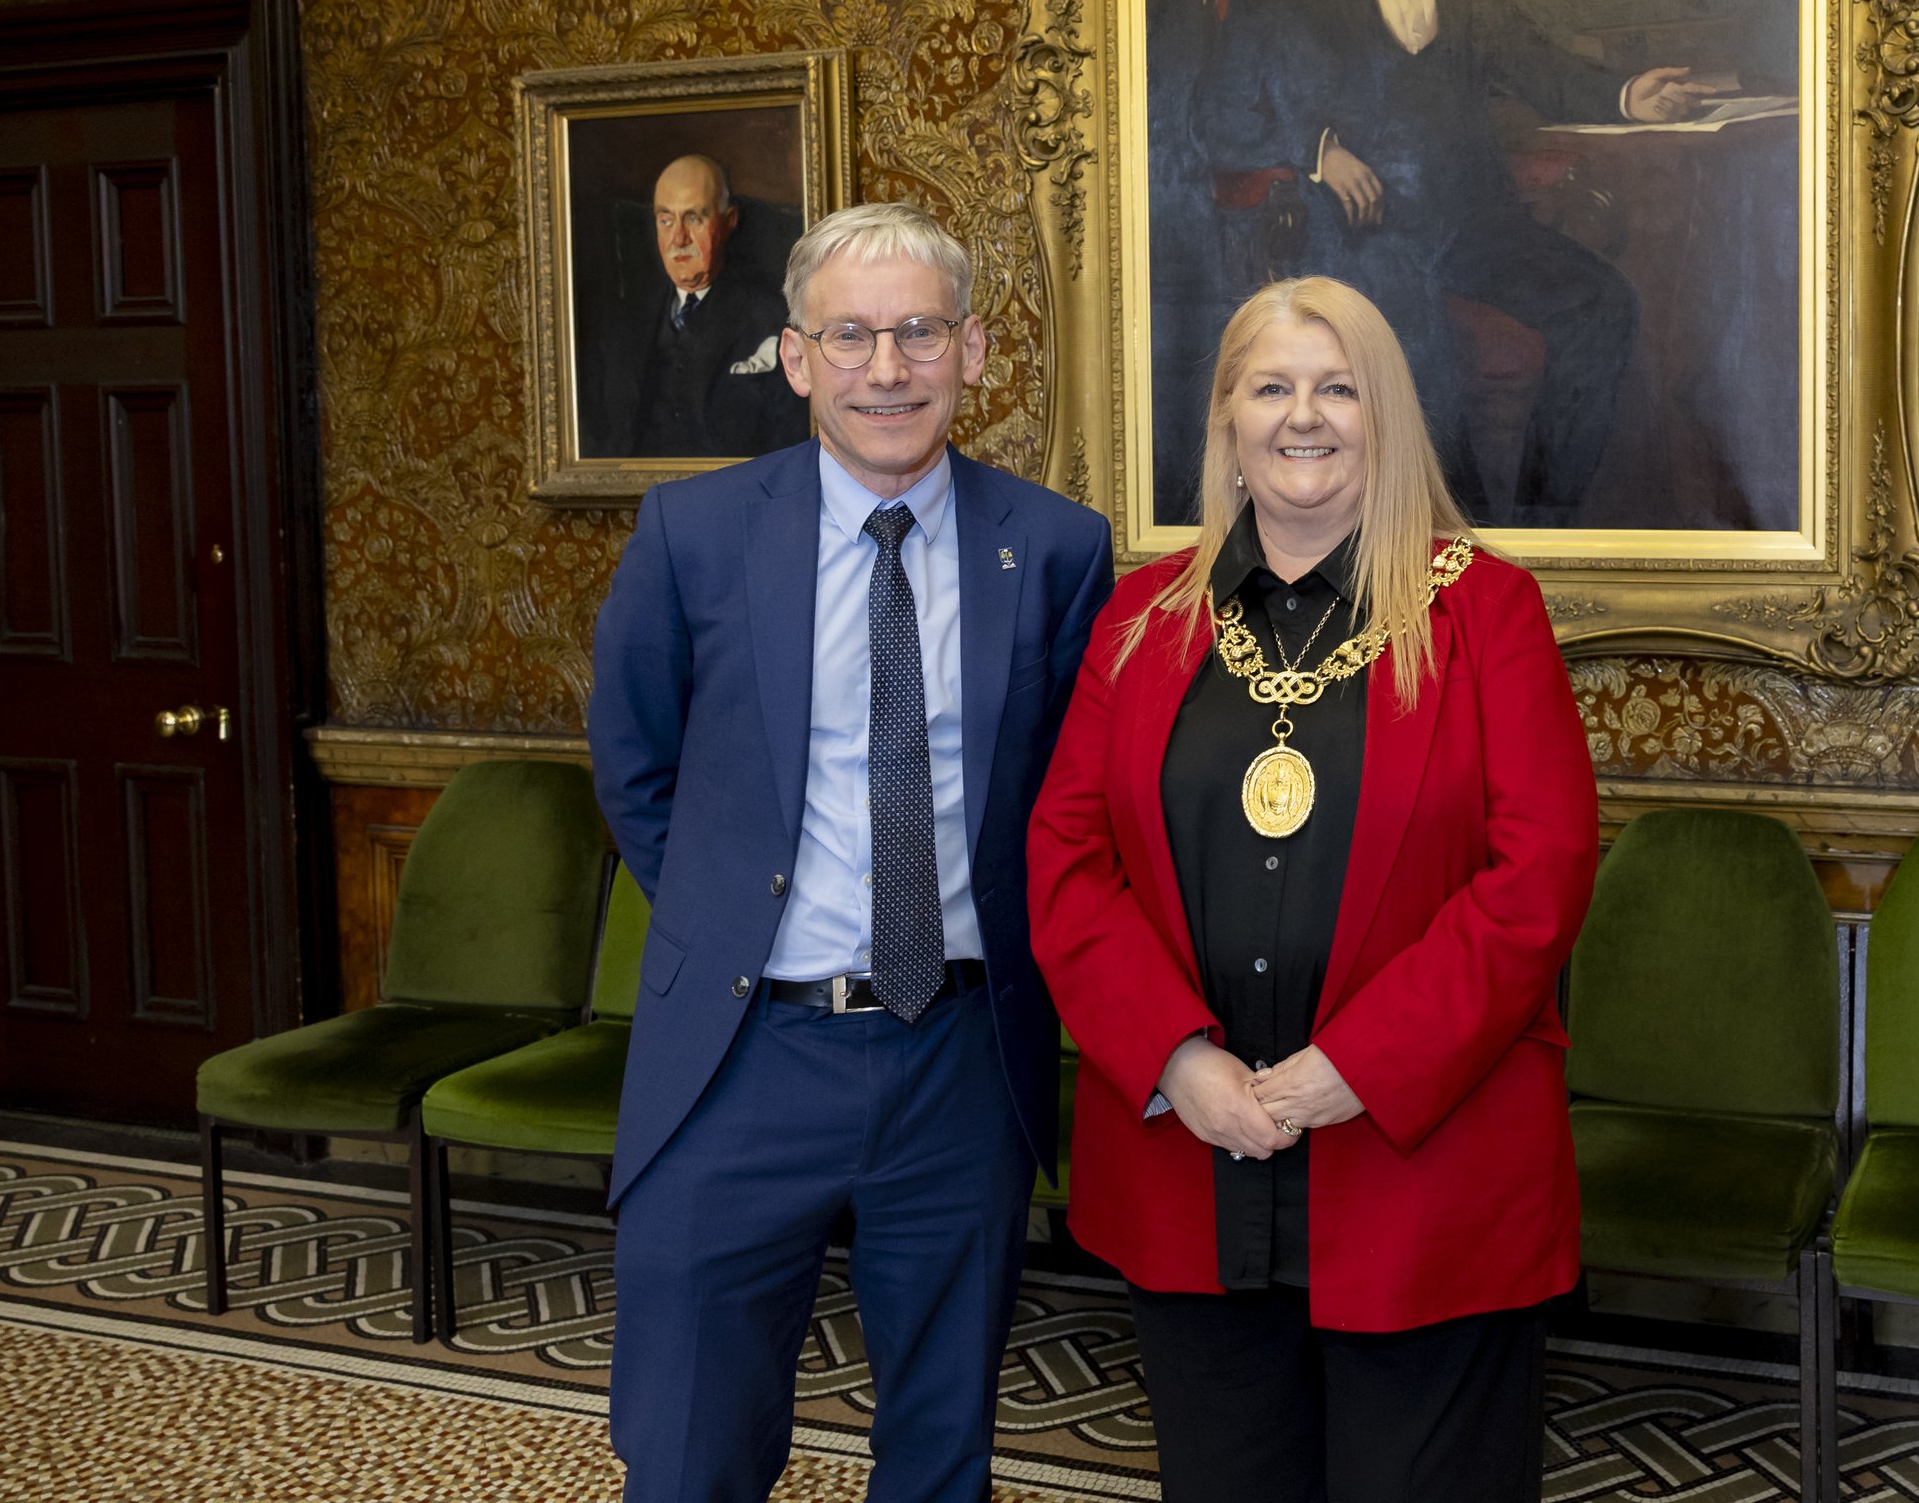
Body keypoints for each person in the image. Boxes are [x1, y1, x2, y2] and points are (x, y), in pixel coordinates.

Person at [1026, 275, 1598, 1501]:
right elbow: (1068, 866)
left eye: (1339, 387)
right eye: (1271, 387)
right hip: (1192, 1162)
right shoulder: (1138, 622)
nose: (1305, 416)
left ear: (1384, 416)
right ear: (1226, 419)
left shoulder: (1487, 614)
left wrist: (1362, 1066)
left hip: (1426, 1177)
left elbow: (1535, 879)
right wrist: (1176, 1060)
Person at [589, 201, 1115, 1503]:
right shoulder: (694, 535)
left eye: (920, 332)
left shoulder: (1055, 550)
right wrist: (732, 926)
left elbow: (1077, 801)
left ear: (975, 351)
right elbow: (635, 767)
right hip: (739, 1056)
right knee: (689, 1447)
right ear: (795, 355)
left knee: (941, 1451)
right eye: (853, 336)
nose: (889, 369)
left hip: (960, 1058)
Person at [1190, 0, 1714, 523]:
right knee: (1421, 362)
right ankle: (1447, 565)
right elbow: (1214, 118)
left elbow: (1535, 62)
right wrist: (1318, 151)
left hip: (1475, 225)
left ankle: (1542, 532)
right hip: (1360, 240)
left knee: (1604, 305)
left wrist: (1629, 93)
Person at [625, 153, 805, 456]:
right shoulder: (627, 322)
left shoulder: (770, 316)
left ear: (729, 220)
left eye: (693, 217)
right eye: (666, 220)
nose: (678, 238)